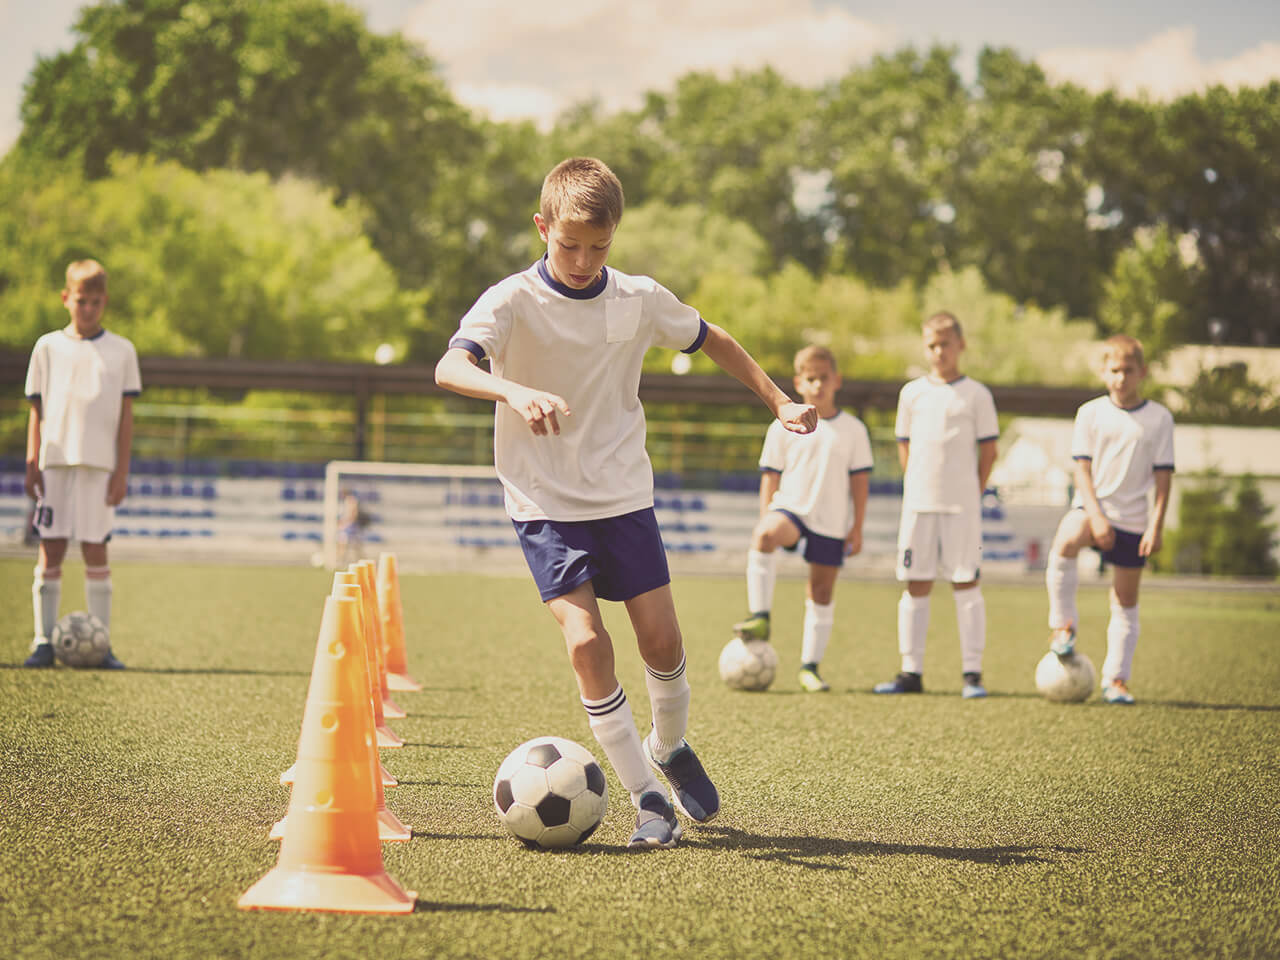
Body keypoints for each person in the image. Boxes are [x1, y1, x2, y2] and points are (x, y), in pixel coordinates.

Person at [435, 157, 818, 849]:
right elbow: (450, 365)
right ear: (542, 226)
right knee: (586, 642)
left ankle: (670, 749)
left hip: (621, 496)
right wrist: (512, 390)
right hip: (544, 501)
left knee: (663, 641)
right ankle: (648, 798)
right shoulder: (511, 300)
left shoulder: (637, 298)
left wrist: (780, 401)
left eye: (598, 247)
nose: (582, 260)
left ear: (615, 236)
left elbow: (715, 340)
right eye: (568, 245)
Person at [732, 345, 873, 692]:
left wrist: (856, 527)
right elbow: (770, 475)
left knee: (821, 591)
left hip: (832, 519)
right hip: (791, 509)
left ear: (836, 380)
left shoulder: (853, 429)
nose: (818, 385)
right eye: (811, 378)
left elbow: (860, 481)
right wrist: (766, 516)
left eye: (824, 378)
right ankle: (761, 617)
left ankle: (810, 667)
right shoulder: (783, 424)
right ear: (798, 382)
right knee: (765, 536)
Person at [873, 311, 998, 699]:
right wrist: (916, 486)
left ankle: (972, 674)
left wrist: (970, 492)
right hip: (919, 506)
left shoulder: (977, 394)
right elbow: (905, 445)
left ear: (961, 345)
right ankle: (911, 672)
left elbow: (989, 451)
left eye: (946, 344)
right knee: (916, 584)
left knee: (966, 582)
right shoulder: (912, 393)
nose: (939, 351)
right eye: (932, 345)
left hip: (962, 508)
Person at [23, 259, 141, 669]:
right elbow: (36, 408)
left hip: (99, 467)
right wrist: (32, 458)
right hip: (55, 462)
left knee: (95, 549)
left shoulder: (122, 350)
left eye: (94, 301)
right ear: (65, 298)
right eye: (80, 300)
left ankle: (103, 645)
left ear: (104, 301)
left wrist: (121, 470)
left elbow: (126, 416)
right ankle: (42, 642)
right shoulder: (47, 347)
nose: (87, 308)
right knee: (50, 546)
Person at [1045, 334, 1174, 705]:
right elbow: (1080, 471)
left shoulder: (1160, 418)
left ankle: (1116, 680)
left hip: (1134, 521)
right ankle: (1062, 625)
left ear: (1142, 372)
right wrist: (1097, 517)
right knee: (1067, 537)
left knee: (1125, 601)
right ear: (1103, 372)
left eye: (1128, 370)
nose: (1121, 378)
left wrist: (1156, 524)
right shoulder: (1090, 413)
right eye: (1114, 370)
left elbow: (1164, 477)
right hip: (1093, 509)